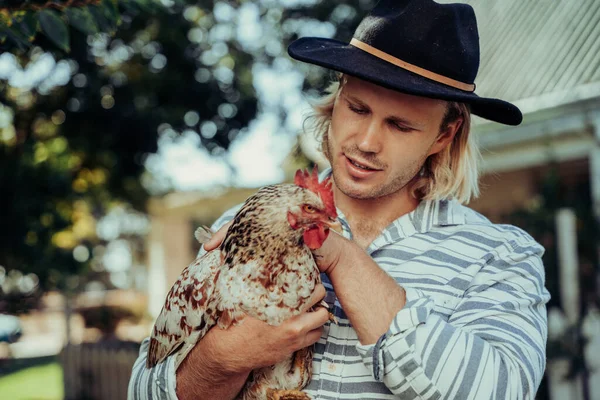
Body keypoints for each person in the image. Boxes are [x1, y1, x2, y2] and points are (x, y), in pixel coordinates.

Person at [128, 0, 550, 399]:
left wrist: (342, 258)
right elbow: (144, 390)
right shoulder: (241, 228)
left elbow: (503, 389)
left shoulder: (500, 256)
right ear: (338, 95)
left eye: (400, 126)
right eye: (358, 109)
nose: (366, 142)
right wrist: (225, 357)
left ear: (445, 134)